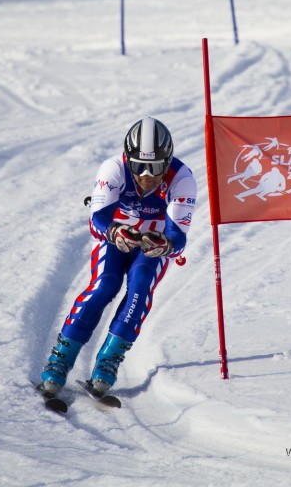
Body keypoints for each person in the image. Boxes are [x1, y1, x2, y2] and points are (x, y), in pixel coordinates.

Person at [39, 117, 197, 397]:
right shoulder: (113, 168)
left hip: (152, 243)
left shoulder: (182, 179)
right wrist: (114, 231)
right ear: (127, 159)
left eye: (155, 167)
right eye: (138, 166)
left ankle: (108, 361)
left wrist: (165, 244)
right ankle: (60, 359)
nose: (146, 176)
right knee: (105, 285)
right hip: (115, 238)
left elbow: (178, 238)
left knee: (141, 285)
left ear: (167, 161)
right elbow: (97, 219)